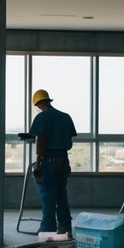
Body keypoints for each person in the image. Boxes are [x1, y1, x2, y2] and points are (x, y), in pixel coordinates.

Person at [28, 89, 77, 234]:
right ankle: (65, 228)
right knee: (61, 194)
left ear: (37, 103)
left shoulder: (42, 118)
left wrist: (38, 162)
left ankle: (47, 229)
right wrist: (67, 163)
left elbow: (41, 140)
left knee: (47, 196)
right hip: (63, 160)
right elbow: (68, 141)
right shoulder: (65, 117)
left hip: (48, 161)